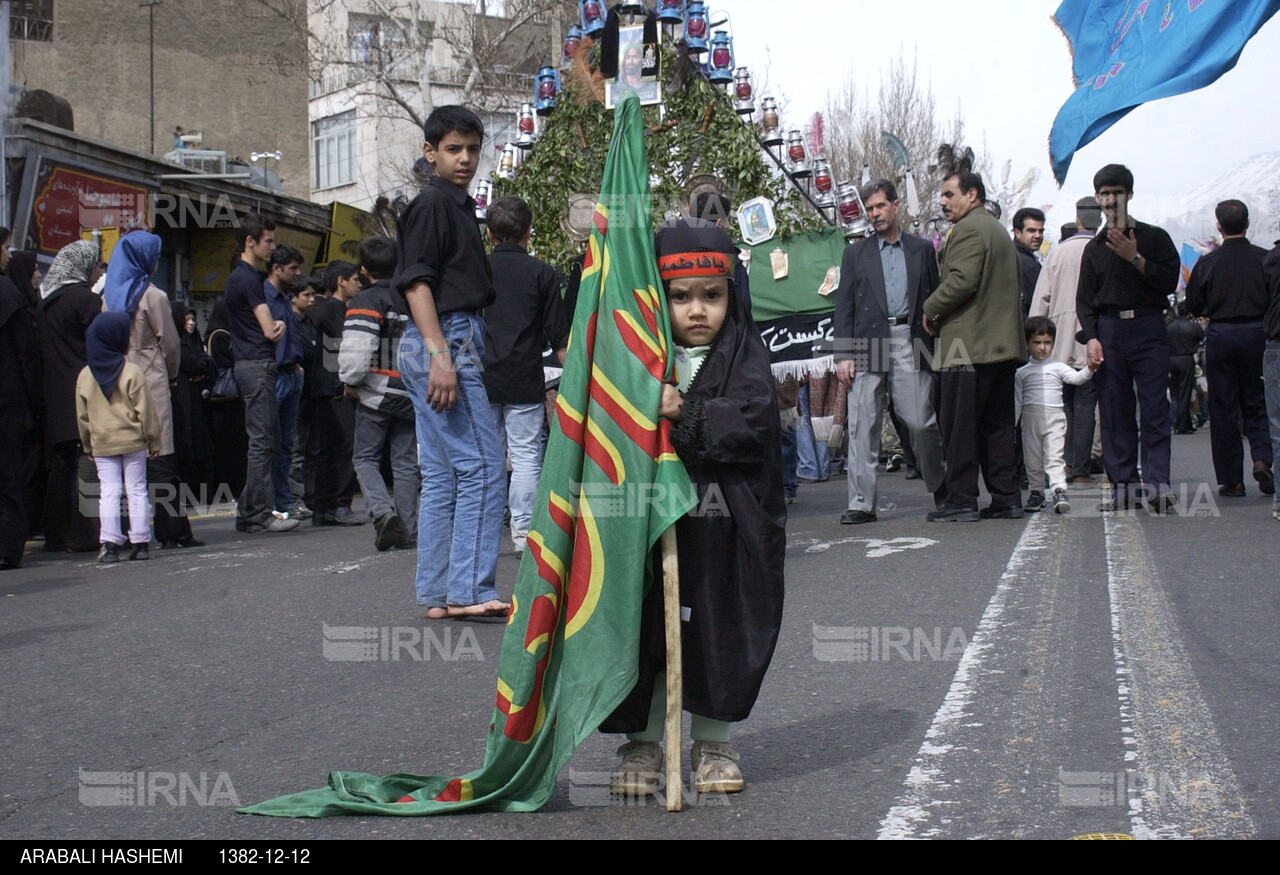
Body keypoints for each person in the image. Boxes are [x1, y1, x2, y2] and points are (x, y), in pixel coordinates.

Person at [602, 219, 785, 797]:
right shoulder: (637, 358)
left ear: (734, 295)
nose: (698, 310)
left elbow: (755, 424)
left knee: (717, 624)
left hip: (723, 527)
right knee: (646, 628)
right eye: (680, 298)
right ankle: (645, 742)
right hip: (648, 523)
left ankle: (712, 740)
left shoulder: (747, 357)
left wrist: (687, 411)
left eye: (712, 295)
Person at [394, 105, 507, 617]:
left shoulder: (456, 205)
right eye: (453, 150)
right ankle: (471, 591)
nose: (465, 159)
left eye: (473, 149)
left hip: (441, 340)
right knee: (483, 467)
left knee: (442, 474)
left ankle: (438, 594)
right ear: (430, 153)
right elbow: (417, 282)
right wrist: (441, 355)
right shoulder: (433, 205)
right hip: (444, 339)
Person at [834, 178, 946, 524]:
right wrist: (843, 354)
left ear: (896, 206)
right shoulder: (855, 253)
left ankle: (942, 490)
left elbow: (935, 296)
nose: (875, 214)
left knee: (920, 421)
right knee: (863, 424)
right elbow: (844, 306)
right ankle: (860, 504)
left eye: (880, 206)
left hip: (910, 338)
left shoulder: (922, 249)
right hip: (867, 340)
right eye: (869, 209)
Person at [1077, 164, 1181, 512]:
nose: (1110, 200)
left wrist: (1135, 258)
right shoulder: (1093, 248)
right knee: (1114, 410)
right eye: (1104, 194)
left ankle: (1158, 484)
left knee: (1154, 407)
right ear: (1097, 199)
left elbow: (1169, 283)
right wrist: (1091, 337)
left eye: (1116, 193)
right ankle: (1123, 486)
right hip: (1110, 332)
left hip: (1149, 328)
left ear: (1129, 195)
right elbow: (1085, 300)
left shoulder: (1154, 237)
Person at [923, 172, 1025, 521]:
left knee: (959, 425)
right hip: (1001, 346)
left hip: (965, 345)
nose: (943, 201)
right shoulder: (996, 229)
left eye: (950, 194)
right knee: (998, 427)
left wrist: (929, 308)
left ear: (972, 195)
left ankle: (962, 498)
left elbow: (961, 281)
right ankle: (1006, 497)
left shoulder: (968, 230)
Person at [102, 231, 200, 549]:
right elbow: (170, 344)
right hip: (150, 378)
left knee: (129, 459)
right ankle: (172, 531)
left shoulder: (109, 296)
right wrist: (171, 375)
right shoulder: (152, 295)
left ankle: (131, 532)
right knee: (161, 457)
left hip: (118, 380)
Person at [481, 196, 568, 552]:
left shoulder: (476, 270)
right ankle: (523, 534)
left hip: (480, 376)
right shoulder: (542, 273)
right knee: (527, 455)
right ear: (528, 232)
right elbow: (560, 338)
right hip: (524, 376)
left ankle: (482, 535)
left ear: (490, 234)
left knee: (486, 458)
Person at [1184, 199, 1274, 498]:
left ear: (1219, 227)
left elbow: (1194, 303)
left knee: (1223, 407)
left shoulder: (1208, 263)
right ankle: (1263, 458)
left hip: (1221, 334)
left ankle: (1231, 479)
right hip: (1258, 333)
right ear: (1247, 224)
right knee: (1259, 400)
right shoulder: (1265, 258)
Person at [340, 235, 420, 551]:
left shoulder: (365, 301)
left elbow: (357, 353)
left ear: (363, 270)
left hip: (376, 392)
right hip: (411, 391)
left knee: (365, 457)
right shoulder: (411, 296)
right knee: (404, 463)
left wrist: (350, 380)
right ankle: (409, 531)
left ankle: (383, 513)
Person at [226, 214, 297, 533]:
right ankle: (257, 513)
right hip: (257, 365)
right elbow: (270, 330)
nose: (273, 247)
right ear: (250, 242)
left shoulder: (238, 277)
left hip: (250, 364)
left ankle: (250, 509)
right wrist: (279, 325)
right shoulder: (249, 279)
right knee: (263, 441)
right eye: (268, 241)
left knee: (267, 438)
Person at [75, 311, 162, 563]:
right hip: (133, 440)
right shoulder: (132, 372)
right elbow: (145, 410)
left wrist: (87, 445)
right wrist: (153, 439)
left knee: (109, 491)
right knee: (136, 489)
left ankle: (110, 544)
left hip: (102, 442)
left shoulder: (85, 375)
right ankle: (141, 542)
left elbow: (83, 416)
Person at [38, 240, 105, 553]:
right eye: (96, 266)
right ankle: (83, 534)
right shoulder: (86, 301)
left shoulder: (47, 302)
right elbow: (99, 346)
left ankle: (55, 534)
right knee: (85, 460)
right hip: (83, 388)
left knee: (60, 464)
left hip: (54, 390)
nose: (97, 273)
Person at [1030, 197, 1102, 483]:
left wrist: (1035, 342)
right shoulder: (1102, 250)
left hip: (1059, 341)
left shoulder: (1057, 254)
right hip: (1092, 338)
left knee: (1065, 406)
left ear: (1078, 218)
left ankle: (1067, 463)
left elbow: (1040, 302)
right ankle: (1082, 466)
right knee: (1087, 403)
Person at [1015, 316, 1096, 514]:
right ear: (1027, 344)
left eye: (1047, 343)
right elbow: (1017, 401)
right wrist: (1013, 426)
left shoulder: (1058, 367)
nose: (1042, 347)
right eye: (1037, 343)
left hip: (1055, 419)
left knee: (1054, 457)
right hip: (1030, 419)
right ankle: (1036, 492)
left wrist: (1090, 369)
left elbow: (1076, 379)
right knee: (1032, 459)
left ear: (1053, 343)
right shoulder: (1021, 373)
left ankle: (1059, 490)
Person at [308, 261, 363, 526]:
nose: (358, 285)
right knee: (342, 446)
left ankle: (326, 506)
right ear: (341, 281)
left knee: (331, 448)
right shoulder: (333, 309)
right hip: (334, 387)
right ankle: (338, 504)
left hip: (331, 386)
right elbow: (344, 346)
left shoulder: (336, 309)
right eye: (354, 280)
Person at [0, 231, 39, 568]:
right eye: (3, 248)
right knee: (8, 476)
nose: (8, 255)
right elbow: (25, 353)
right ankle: (8, 547)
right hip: (8, 399)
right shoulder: (9, 295)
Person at [172, 309, 217, 495]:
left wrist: (203, 363)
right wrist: (203, 362)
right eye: (186, 319)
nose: (191, 323)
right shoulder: (176, 343)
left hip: (199, 401)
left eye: (193, 319)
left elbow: (209, 367)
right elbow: (193, 364)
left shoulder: (196, 341)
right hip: (184, 402)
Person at [1167, 302, 1204, 435]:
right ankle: (1182, 424)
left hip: (1172, 359)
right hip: (1186, 359)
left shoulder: (1170, 327)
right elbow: (1202, 337)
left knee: (1175, 392)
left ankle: (1183, 422)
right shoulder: (1193, 327)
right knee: (1185, 392)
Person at [1011, 207, 1045, 317]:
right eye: (1031, 231)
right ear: (1017, 233)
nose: (1038, 235)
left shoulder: (1011, 255)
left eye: (1041, 231)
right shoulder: (1026, 264)